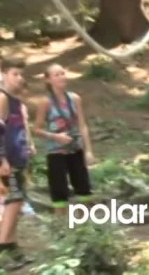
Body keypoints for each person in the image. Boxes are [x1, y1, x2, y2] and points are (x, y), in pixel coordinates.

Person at [33, 64, 95, 215]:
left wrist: (88, 151)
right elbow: (36, 129)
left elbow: (82, 125)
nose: (61, 77)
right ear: (48, 80)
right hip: (56, 151)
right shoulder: (45, 102)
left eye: (63, 73)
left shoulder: (75, 99)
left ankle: (86, 221)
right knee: (59, 189)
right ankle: (60, 223)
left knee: (83, 186)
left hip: (75, 148)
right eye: (56, 75)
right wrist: (55, 137)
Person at [0, 58, 34, 270]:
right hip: (7, 162)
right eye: (15, 74)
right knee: (14, 200)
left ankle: (12, 247)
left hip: (18, 159)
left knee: (17, 202)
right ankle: (3, 248)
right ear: (4, 74)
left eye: (22, 74)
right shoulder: (2, 98)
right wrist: (2, 159)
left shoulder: (15, 101)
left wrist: (28, 148)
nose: (19, 78)